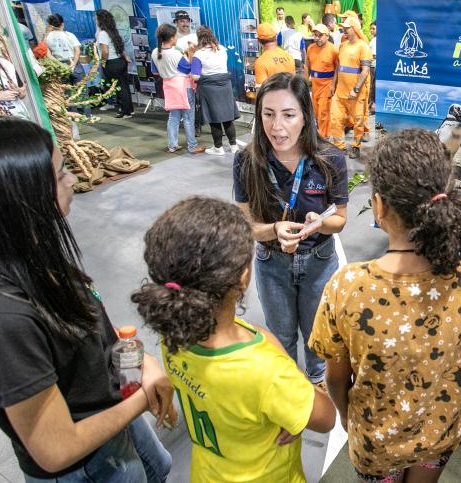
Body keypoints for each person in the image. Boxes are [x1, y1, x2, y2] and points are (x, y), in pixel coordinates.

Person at [0, 115, 175, 482]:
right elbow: (57, 449)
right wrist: (145, 394)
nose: (72, 180)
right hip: (87, 464)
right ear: (12, 198)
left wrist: (140, 361)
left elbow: (77, 327)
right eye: (58, 174)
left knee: (159, 468)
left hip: (111, 418)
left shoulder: (25, 253)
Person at [309, 128, 461, 482]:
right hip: (440, 437)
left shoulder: (346, 287)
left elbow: (336, 379)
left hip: (375, 441)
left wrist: (350, 421)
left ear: (379, 206)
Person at [131, 196, 336, 482]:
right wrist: (276, 353)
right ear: (243, 277)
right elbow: (326, 418)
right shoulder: (265, 369)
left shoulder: (174, 334)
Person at [234, 72, 348, 385]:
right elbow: (245, 225)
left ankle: (317, 382)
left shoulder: (329, 159)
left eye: (288, 115)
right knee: (280, 338)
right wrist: (273, 229)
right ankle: (289, 392)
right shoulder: (247, 161)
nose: (277, 126)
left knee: (317, 336)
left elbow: (339, 218)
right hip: (272, 265)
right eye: (268, 115)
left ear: (305, 116)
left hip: (319, 263)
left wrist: (320, 224)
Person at [149, 23, 204, 155]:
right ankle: (192, 146)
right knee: (188, 118)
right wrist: (191, 53)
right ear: (172, 37)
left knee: (173, 117)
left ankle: (172, 145)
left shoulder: (155, 52)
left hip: (168, 87)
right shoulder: (175, 54)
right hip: (183, 87)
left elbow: (154, 72)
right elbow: (189, 69)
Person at [190, 25, 243, 155]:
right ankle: (233, 146)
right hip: (225, 86)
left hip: (209, 89)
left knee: (214, 118)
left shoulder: (198, 54)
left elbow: (195, 76)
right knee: (227, 117)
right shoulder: (222, 49)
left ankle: (218, 148)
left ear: (199, 38)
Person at [329, 16, 371, 159]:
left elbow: (365, 71)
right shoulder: (342, 45)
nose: (344, 29)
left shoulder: (363, 47)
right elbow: (338, 68)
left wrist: (356, 89)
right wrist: (333, 85)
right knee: (335, 119)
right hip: (339, 93)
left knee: (358, 121)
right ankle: (339, 147)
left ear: (354, 28)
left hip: (356, 94)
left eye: (347, 27)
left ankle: (356, 146)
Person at [95, 8, 134, 119]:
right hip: (120, 61)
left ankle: (125, 112)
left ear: (100, 20)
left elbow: (105, 51)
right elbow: (120, 47)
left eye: (96, 19)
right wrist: (125, 57)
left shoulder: (102, 33)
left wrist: (103, 62)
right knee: (124, 87)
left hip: (112, 63)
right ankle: (129, 110)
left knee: (119, 88)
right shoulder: (113, 31)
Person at [304, 23, 338, 138]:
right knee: (316, 112)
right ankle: (322, 133)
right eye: (315, 35)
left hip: (327, 84)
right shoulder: (310, 48)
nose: (317, 38)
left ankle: (324, 137)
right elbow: (307, 66)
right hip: (315, 85)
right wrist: (304, 83)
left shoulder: (333, 50)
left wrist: (333, 85)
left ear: (327, 36)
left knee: (324, 112)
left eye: (320, 35)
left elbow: (338, 68)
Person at [253, 23, 295, 90]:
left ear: (259, 40)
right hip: (290, 98)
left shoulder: (260, 62)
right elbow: (295, 83)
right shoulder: (289, 56)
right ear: (275, 37)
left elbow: (261, 92)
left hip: (273, 99)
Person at [369, 21, 377, 114]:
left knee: (372, 87)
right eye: (370, 28)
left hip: (373, 66)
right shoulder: (373, 39)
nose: (371, 30)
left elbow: (374, 55)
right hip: (371, 65)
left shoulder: (376, 40)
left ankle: (372, 106)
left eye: (373, 29)